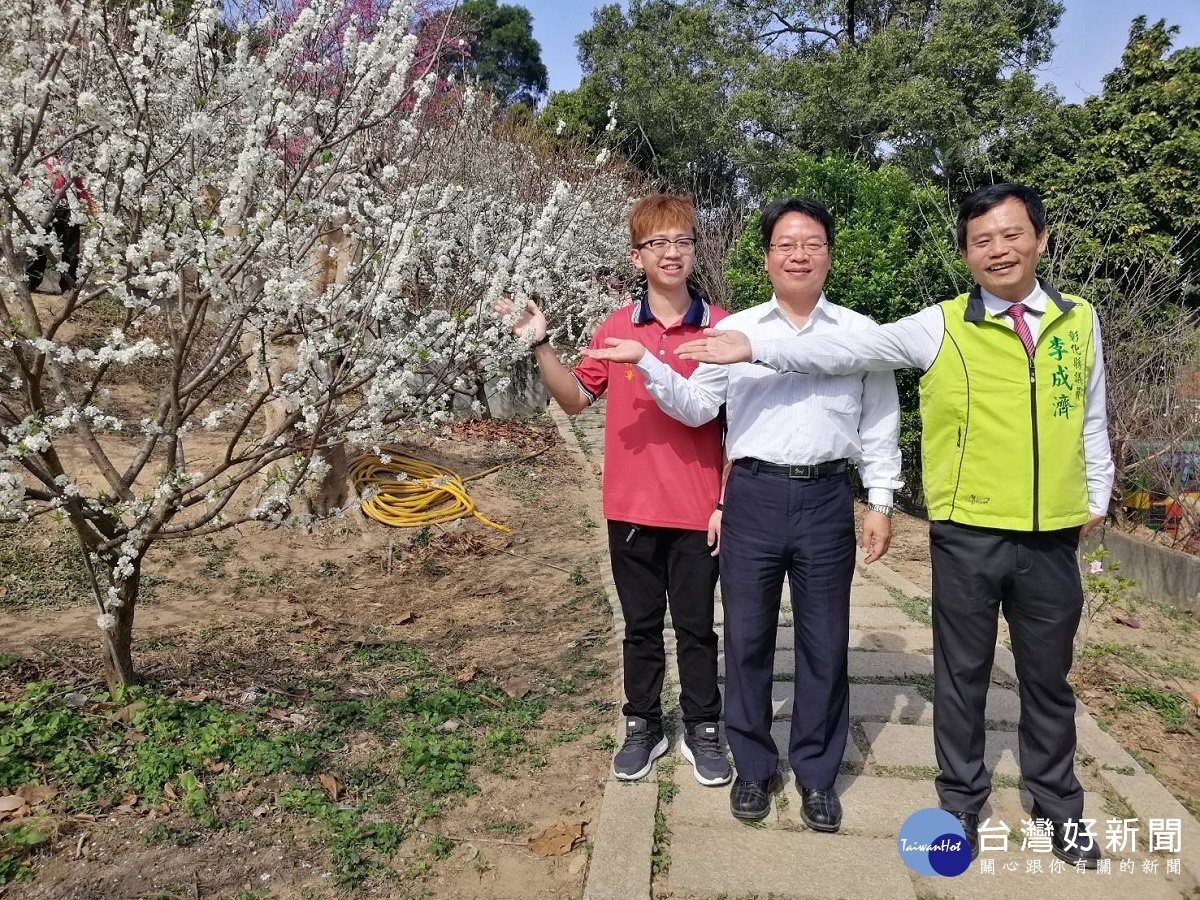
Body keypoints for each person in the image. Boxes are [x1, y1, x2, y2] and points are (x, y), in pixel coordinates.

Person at [675, 183, 1113, 866]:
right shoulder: (931, 324)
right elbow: (747, 396)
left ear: (1041, 239)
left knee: (1043, 678)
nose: (999, 249)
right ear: (966, 253)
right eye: (982, 239)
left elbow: (1089, 414)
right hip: (945, 525)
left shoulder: (1077, 319)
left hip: (1029, 528)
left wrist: (1099, 494)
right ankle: (940, 802)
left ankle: (1054, 806)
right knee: (940, 673)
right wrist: (695, 358)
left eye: (1012, 234)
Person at [583, 198, 901, 828]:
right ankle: (753, 768)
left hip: (826, 497)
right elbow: (699, 409)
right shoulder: (738, 332)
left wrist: (881, 500)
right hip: (754, 497)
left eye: (811, 242)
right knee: (748, 639)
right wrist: (649, 363)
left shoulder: (860, 334)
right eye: (785, 244)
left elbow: (879, 424)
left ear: (829, 255)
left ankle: (816, 774)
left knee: (825, 640)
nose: (799, 254)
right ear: (767, 260)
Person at [495, 194, 732, 787]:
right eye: (659, 244)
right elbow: (575, 399)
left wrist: (726, 501)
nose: (672, 253)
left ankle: (704, 725)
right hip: (630, 506)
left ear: (694, 250)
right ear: (637, 256)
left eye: (683, 241)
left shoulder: (723, 326)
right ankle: (643, 722)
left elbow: (737, 425)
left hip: (697, 507)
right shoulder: (617, 326)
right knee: (641, 625)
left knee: (699, 627)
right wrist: (539, 344)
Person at [24, 155, 93, 293]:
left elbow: (78, 186)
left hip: (67, 207)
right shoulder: (37, 161)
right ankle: (31, 281)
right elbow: (27, 183)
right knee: (38, 244)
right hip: (43, 205)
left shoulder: (69, 161)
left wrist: (89, 206)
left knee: (71, 247)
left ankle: (68, 285)